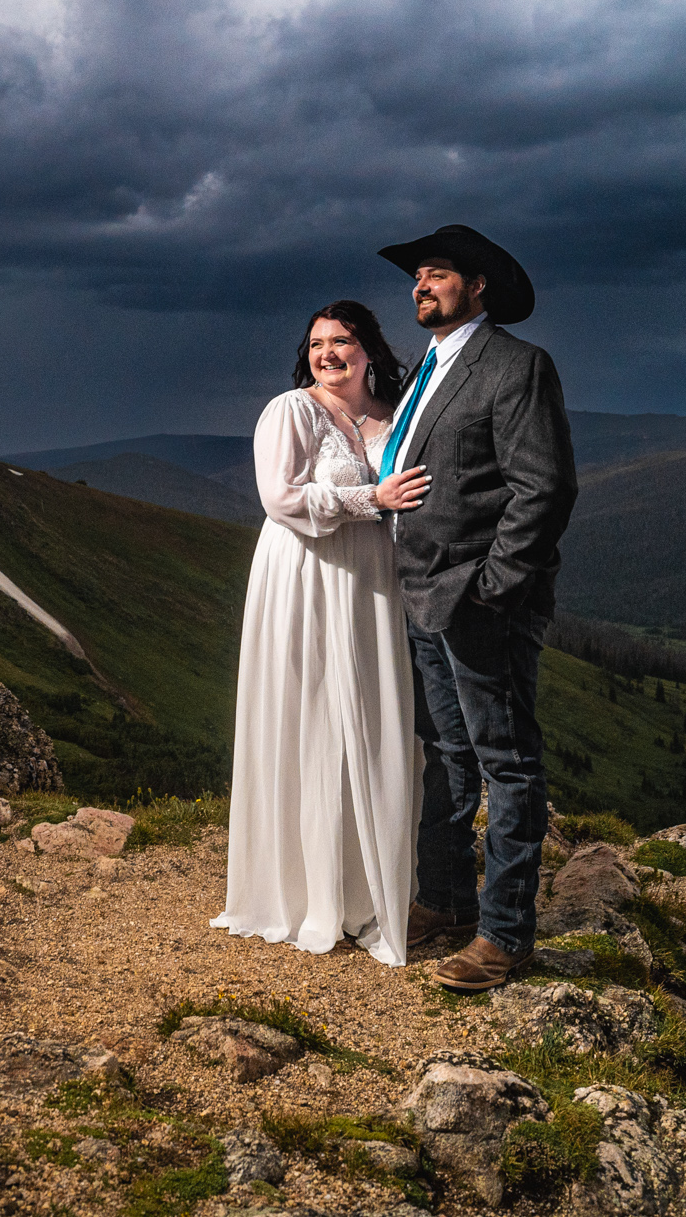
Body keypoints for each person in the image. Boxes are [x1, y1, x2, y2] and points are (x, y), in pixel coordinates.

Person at [374, 225, 578, 992]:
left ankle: (505, 932)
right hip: (421, 592)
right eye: (418, 275)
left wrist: (493, 586)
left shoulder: (516, 366)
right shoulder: (429, 366)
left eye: (437, 273)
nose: (421, 284)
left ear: (479, 283)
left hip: (480, 600)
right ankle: (447, 900)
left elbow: (546, 487)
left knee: (507, 762)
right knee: (449, 757)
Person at [211, 300, 433, 966]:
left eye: (342, 340)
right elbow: (279, 497)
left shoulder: (391, 418)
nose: (328, 353)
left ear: (369, 348)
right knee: (309, 718)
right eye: (316, 343)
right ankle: (303, 891)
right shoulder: (291, 411)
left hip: (370, 584)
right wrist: (373, 499)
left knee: (370, 720)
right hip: (305, 576)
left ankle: (364, 890)